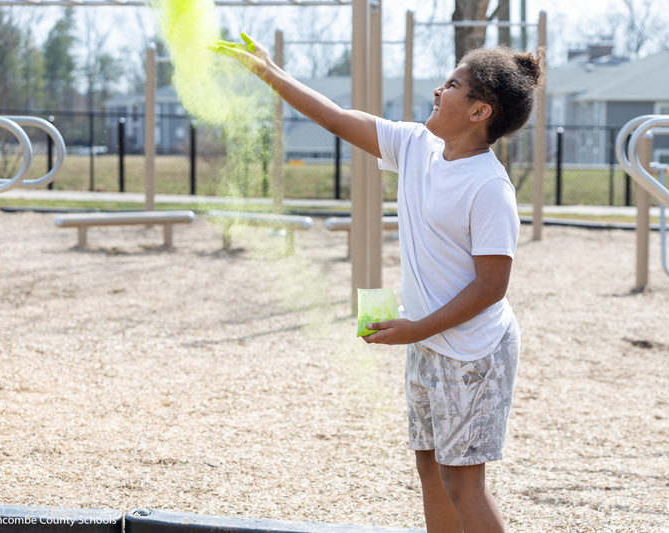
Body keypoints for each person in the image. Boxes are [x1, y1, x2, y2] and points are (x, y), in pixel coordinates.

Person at [213, 33, 543, 533]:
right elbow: (336, 118)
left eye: (453, 85)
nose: (439, 91)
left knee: (463, 483)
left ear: (480, 112)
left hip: (473, 353)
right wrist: (269, 71)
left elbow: (490, 287)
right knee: (431, 470)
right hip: (428, 339)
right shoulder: (415, 146)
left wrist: (415, 329)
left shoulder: (490, 187)